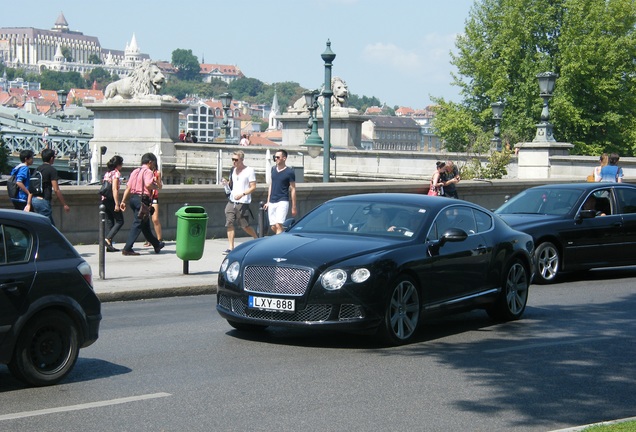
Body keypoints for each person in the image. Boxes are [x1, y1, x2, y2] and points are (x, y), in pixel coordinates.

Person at [120, 153, 165, 256]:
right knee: (138, 223)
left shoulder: (135, 171)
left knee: (145, 225)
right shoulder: (148, 172)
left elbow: (128, 187)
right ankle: (127, 248)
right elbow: (148, 184)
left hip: (133, 198)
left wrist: (123, 201)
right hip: (142, 200)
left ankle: (156, 244)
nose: (154, 165)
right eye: (153, 163)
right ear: (150, 162)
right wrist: (156, 186)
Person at [224, 150, 258, 253]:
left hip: (243, 202)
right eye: (232, 159)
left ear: (242, 160)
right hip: (232, 200)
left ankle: (257, 239)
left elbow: (253, 187)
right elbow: (231, 184)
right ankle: (231, 247)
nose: (234, 162)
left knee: (245, 226)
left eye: (236, 160)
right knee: (229, 223)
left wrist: (243, 194)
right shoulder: (232, 170)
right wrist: (226, 183)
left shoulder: (249, 171)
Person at [32, 148, 70, 225]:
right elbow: (56, 190)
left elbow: (31, 187)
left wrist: (29, 203)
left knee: (45, 225)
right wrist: (64, 204)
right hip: (43, 201)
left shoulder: (37, 169)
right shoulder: (52, 170)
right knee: (48, 227)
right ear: (51, 158)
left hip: (35, 200)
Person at [264, 149, 297, 234]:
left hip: (282, 200)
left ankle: (277, 244)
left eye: (278, 157)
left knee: (279, 225)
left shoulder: (289, 172)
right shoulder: (273, 169)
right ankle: (284, 237)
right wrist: (268, 201)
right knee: (273, 226)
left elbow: (293, 188)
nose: (276, 159)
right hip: (272, 201)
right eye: (275, 157)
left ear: (284, 158)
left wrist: (294, 206)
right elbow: (271, 185)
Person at [102, 155, 124, 252]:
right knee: (120, 221)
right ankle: (108, 238)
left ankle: (109, 245)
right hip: (111, 199)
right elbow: (114, 189)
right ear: (118, 165)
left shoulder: (107, 173)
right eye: (121, 164)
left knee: (110, 221)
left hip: (104, 199)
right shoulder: (116, 173)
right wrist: (117, 203)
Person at [144, 167, 163, 247]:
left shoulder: (157, 173)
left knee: (155, 219)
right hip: (146, 197)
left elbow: (160, 186)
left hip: (154, 197)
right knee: (145, 219)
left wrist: (156, 181)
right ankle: (149, 239)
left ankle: (159, 239)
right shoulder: (145, 172)